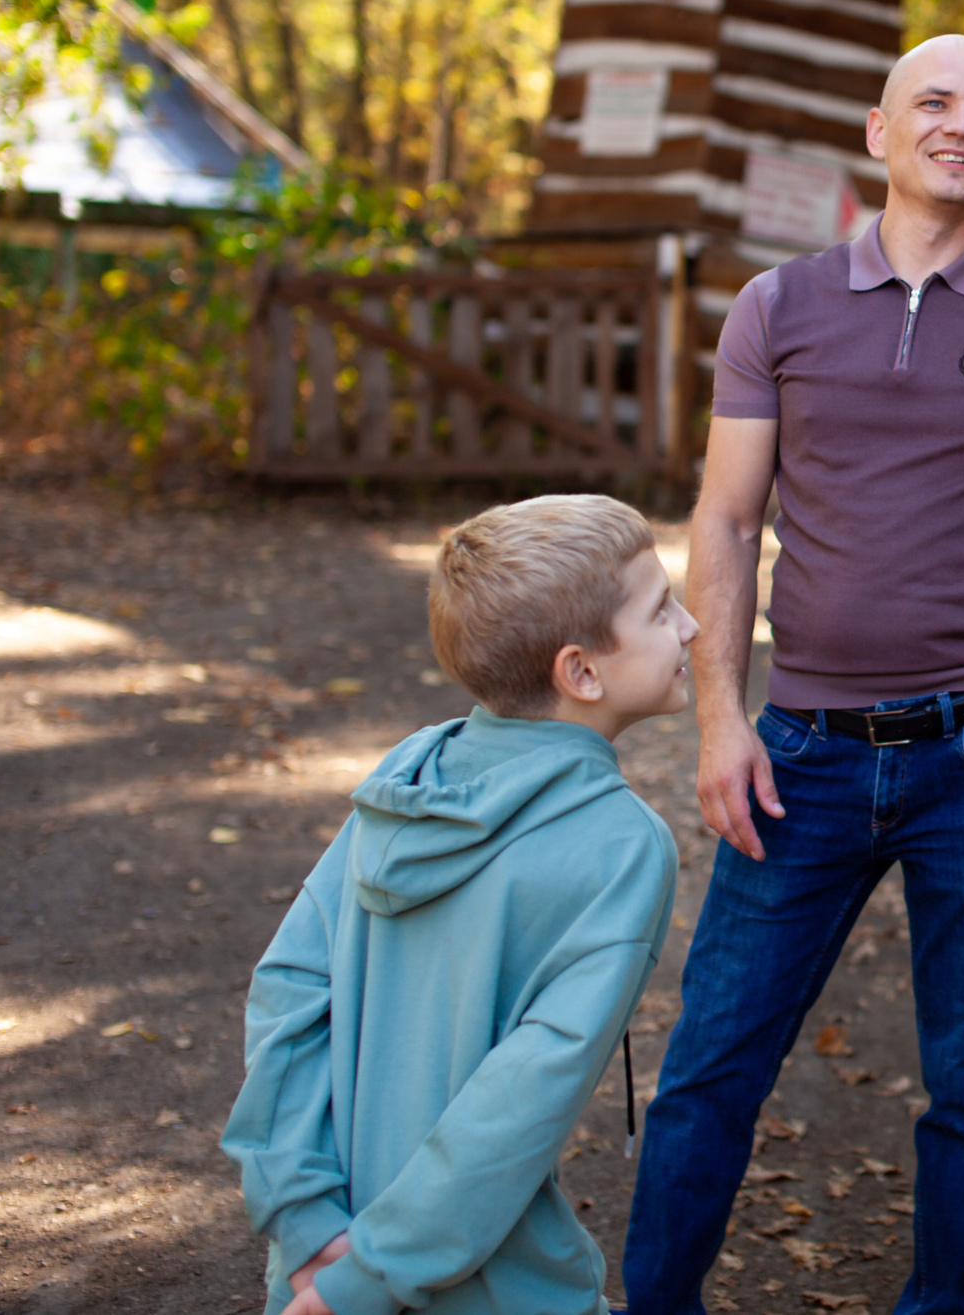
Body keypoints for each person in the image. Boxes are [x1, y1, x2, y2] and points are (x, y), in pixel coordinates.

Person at [622, 34, 964, 1315]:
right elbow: (727, 521)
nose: (959, 124)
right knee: (709, 1068)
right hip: (800, 752)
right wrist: (718, 719)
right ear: (879, 131)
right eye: (934, 102)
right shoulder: (777, 308)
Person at [223, 494, 694, 1315]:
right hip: (481, 1290)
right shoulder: (625, 847)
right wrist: (363, 1278)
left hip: (316, 1271)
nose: (689, 627)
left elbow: (288, 989)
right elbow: (520, 1103)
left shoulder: (411, 773)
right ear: (581, 670)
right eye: (662, 610)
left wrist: (308, 1222)